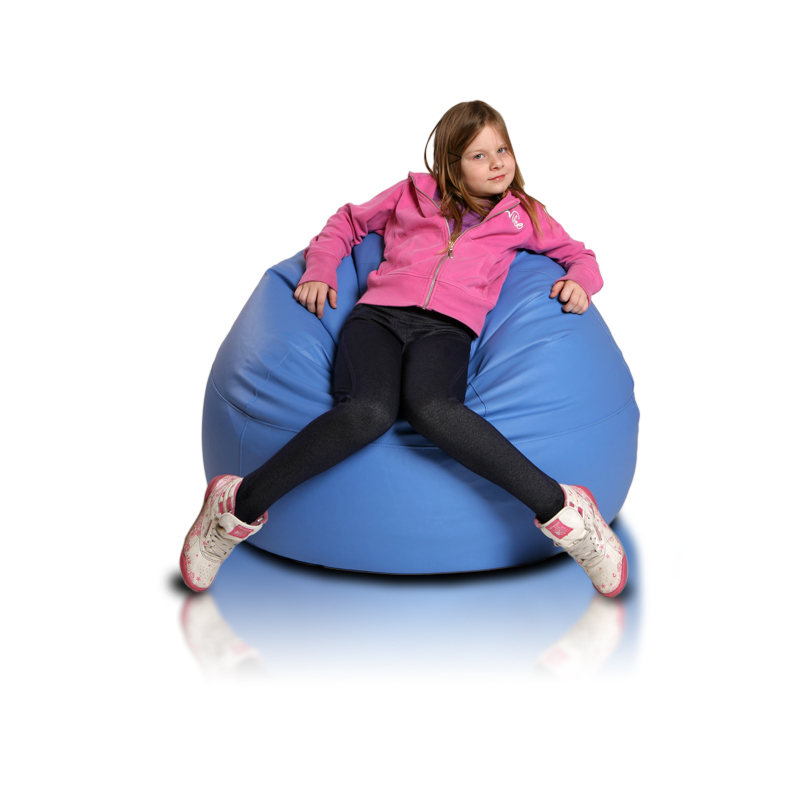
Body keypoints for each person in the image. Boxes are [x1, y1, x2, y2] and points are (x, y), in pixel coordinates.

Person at [180, 100, 627, 597]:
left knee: (434, 409)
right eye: (479, 156)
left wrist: (580, 281)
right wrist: (321, 269)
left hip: (447, 329)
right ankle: (233, 509)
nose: (497, 163)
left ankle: (567, 515)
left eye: (503, 150)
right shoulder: (413, 193)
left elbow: (580, 255)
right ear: (451, 164)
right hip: (377, 318)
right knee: (368, 412)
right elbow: (347, 222)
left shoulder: (525, 216)